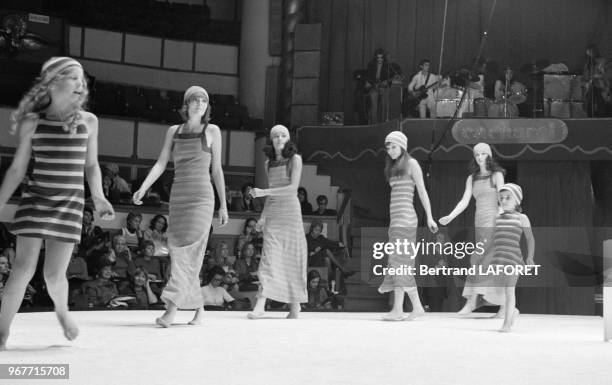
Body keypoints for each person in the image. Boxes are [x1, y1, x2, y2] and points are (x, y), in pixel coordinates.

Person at [0, 57, 115, 350]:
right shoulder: (32, 122)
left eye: (81, 79)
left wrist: (99, 197)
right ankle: (2, 332)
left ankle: (62, 312)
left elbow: (91, 166)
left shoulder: (89, 122)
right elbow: (17, 169)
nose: (80, 83)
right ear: (51, 82)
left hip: (69, 205)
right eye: (72, 77)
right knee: (22, 269)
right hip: (36, 201)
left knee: (53, 274)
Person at [133, 85, 228, 327]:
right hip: (179, 196)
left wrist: (223, 205)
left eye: (204, 100)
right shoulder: (174, 131)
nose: (199, 103)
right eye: (195, 99)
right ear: (186, 104)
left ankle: (171, 309)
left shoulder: (213, 130)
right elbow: (161, 162)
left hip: (202, 197)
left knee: (189, 252)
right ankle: (199, 308)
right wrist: (144, 187)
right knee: (180, 253)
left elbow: (216, 170)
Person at [247, 125, 308, 319]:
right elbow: (272, 194)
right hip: (274, 214)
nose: (279, 138)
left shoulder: (295, 159)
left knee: (292, 257)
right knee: (269, 258)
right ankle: (261, 303)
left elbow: (292, 189)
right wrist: (263, 217)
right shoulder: (268, 163)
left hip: (290, 213)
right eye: (276, 136)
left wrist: (264, 192)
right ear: (271, 141)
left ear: (288, 139)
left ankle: (295, 306)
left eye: (283, 135)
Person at [439, 142, 505, 315]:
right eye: (477, 154)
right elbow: (464, 201)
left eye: (484, 153)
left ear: (489, 155)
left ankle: (472, 302)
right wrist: (451, 216)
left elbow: (503, 198)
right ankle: (506, 306)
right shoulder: (472, 178)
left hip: (494, 221)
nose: (480, 157)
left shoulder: (496, 175)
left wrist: (500, 215)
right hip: (480, 223)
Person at [378, 131, 438, 321]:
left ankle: (398, 309)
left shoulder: (412, 164)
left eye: (393, 146)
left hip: (406, 219)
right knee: (400, 265)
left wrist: (429, 217)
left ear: (402, 146)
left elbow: (422, 191)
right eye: (388, 147)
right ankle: (417, 307)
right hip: (395, 220)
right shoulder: (393, 166)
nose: (390, 150)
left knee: (399, 264)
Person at [490, 183, 534, 332]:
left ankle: (506, 324)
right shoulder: (497, 218)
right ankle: (513, 311)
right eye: (501, 198)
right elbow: (493, 239)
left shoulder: (522, 218)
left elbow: (530, 239)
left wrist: (530, 257)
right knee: (500, 292)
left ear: (517, 200)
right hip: (498, 259)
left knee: (509, 291)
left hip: (513, 259)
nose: (503, 200)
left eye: (508, 197)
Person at [365, 49, 402, 123]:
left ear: (383, 58)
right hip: (374, 87)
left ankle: (383, 124)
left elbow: (394, 76)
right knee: (373, 107)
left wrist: (388, 82)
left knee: (384, 107)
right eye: (378, 58)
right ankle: (374, 125)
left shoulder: (387, 66)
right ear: (375, 58)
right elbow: (368, 76)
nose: (379, 59)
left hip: (384, 88)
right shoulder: (371, 65)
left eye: (381, 57)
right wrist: (369, 83)